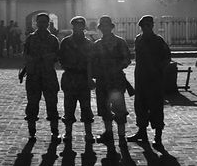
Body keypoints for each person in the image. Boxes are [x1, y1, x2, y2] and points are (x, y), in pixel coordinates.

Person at [127, 15, 171, 150]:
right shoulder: (138, 39)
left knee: (156, 108)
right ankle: (142, 133)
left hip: (154, 81)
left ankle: (158, 137)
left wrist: (158, 71)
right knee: (140, 107)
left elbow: (167, 57)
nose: (146, 28)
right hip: (141, 79)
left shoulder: (158, 40)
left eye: (148, 25)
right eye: (143, 26)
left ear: (152, 26)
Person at [91, 15, 131, 150]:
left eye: (107, 26)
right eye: (102, 26)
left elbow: (127, 59)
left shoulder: (120, 42)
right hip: (102, 81)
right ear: (100, 28)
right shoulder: (97, 45)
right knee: (104, 108)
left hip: (116, 80)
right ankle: (108, 133)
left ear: (111, 27)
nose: (105, 28)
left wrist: (116, 68)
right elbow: (93, 62)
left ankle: (121, 135)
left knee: (119, 109)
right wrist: (95, 73)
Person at [57, 16, 95, 153]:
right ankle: (68, 133)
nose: (78, 28)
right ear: (72, 26)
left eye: (81, 25)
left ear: (83, 27)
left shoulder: (89, 43)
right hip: (70, 77)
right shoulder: (66, 42)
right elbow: (61, 59)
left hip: (84, 77)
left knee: (86, 107)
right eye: (76, 25)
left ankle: (88, 133)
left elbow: (91, 62)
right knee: (69, 106)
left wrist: (90, 78)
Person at [22, 12, 61, 141]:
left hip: (48, 75)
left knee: (52, 103)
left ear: (48, 23)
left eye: (45, 22)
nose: (42, 24)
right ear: (36, 23)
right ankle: (31, 130)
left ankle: (54, 130)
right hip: (33, 76)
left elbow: (58, 56)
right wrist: (25, 70)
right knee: (32, 103)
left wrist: (48, 57)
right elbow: (26, 55)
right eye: (40, 22)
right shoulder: (30, 38)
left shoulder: (53, 39)